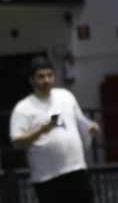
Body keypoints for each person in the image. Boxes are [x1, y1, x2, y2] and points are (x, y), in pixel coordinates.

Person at [10, 55, 102, 203]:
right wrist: (42, 130)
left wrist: (93, 129)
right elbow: (16, 140)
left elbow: (82, 122)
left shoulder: (66, 96)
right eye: (41, 77)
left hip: (75, 170)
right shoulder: (23, 108)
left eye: (49, 75)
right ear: (32, 80)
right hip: (47, 177)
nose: (46, 80)